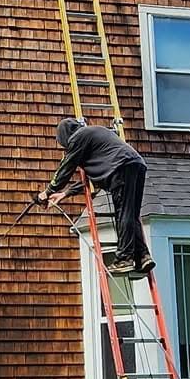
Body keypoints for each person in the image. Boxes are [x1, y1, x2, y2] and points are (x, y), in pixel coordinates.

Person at [37, 117, 155, 276]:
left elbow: (66, 167)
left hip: (120, 168)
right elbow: (90, 181)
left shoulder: (78, 137)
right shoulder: (93, 137)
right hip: (136, 165)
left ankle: (124, 259)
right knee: (131, 213)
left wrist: (48, 191)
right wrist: (65, 194)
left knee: (124, 214)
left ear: (65, 136)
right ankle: (142, 255)